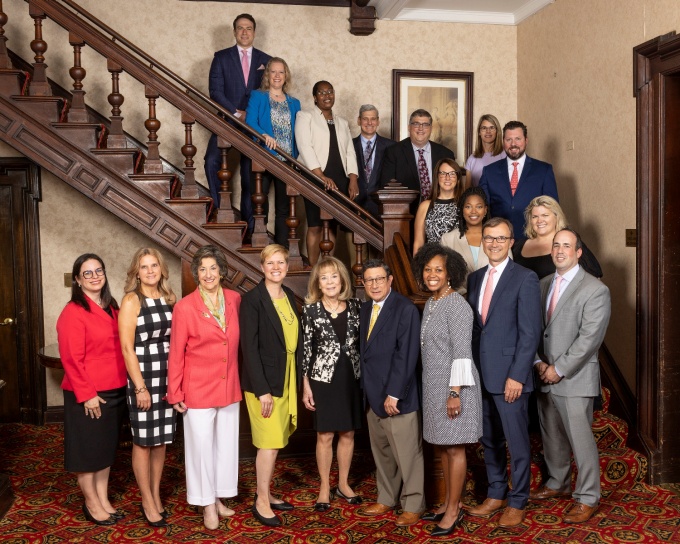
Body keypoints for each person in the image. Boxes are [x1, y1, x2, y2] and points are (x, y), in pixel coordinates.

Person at [531, 228, 611, 524]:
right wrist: (539, 362)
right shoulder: (542, 285)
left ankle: (588, 496)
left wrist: (559, 369)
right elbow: (534, 330)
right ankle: (558, 482)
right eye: (556, 245)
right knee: (551, 434)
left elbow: (590, 338)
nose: (560, 250)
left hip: (574, 378)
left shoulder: (595, 289)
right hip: (543, 373)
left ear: (578, 252)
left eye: (567, 245)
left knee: (580, 440)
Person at [466, 218, 542, 527]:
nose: (494, 243)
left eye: (501, 238)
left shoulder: (525, 278)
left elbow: (529, 333)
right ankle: (496, 493)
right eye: (489, 238)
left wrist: (518, 376)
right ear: (482, 241)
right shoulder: (475, 278)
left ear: (511, 241)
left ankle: (518, 499)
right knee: (490, 439)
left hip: (510, 375)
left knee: (516, 440)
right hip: (480, 373)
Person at [167, 245, 241, 531]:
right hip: (196, 388)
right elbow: (176, 353)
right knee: (200, 449)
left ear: (221, 271)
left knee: (225, 447)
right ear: (195, 274)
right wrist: (175, 392)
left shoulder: (234, 299)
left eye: (213, 268)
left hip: (228, 385)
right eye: (202, 269)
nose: (208, 274)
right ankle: (206, 503)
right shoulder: (185, 307)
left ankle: (219, 497)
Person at [412, 244, 482, 537]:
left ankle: (454, 510)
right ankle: (447, 503)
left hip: (456, 388)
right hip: (434, 387)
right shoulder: (432, 302)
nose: (432, 274)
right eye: (428, 269)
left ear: (450, 273)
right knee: (442, 446)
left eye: (438, 270)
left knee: (455, 448)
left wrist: (454, 393)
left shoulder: (456, 304)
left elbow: (462, 353)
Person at [56, 254, 127, 526]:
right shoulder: (73, 312)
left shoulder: (113, 307)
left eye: (99, 270)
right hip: (88, 394)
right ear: (77, 279)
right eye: (87, 273)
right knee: (88, 451)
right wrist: (87, 395)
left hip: (115, 388)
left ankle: (103, 497)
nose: (95, 276)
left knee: (104, 449)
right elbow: (71, 358)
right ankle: (91, 502)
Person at [359, 260, 425, 527]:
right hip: (372, 396)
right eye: (369, 280)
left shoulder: (405, 309)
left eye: (379, 279)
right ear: (363, 284)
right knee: (383, 452)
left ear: (390, 280)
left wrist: (394, 394)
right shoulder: (365, 309)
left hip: (397, 398)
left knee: (407, 453)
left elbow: (406, 355)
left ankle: (413, 504)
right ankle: (386, 497)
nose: (374, 284)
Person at [240, 244, 301, 527]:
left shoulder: (288, 295)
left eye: (281, 263)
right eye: (270, 263)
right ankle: (261, 501)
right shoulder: (253, 300)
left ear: (287, 267)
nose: (276, 267)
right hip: (263, 385)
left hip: (286, 377)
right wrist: (262, 389)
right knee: (268, 442)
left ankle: (266, 492)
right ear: (262, 266)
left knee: (276, 442)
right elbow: (249, 349)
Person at [119, 248, 177, 527]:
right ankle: (146, 499)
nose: (150, 271)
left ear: (161, 269)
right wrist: (140, 388)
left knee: (161, 440)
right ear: (137, 272)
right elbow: (127, 349)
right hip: (143, 377)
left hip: (167, 377)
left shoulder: (169, 298)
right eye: (144, 267)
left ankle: (155, 493)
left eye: (154, 265)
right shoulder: (132, 300)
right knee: (143, 441)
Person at [301, 257, 363, 511]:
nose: (329, 282)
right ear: (318, 282)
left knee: (347, 432)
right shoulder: (310, 310)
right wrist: (305, 385)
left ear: (342, 280)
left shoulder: (357, 306)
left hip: (351, 376)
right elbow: (305, 350)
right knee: (324, 434)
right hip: (322, 379)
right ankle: (325, 487)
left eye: (334, 276)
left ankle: (344, 484)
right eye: (324, 277)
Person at [205, 13, 271, 239]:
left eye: (249, 28)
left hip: (254, 126)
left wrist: (249, 115)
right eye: (240, 28)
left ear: (254, 32)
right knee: (211, 160)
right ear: (234, 32)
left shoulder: (266, 60)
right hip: (227, 120)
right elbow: (215, 90)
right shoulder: (221, 57)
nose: (245, 32)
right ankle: (216, 207)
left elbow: (268, 94)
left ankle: (250, 229)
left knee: (249, 176)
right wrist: (234, 113)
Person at [295, 81, 359, 265]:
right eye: (321, 93)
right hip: (315, 176)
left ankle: (327, 267)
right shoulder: (305, 116)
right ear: (315, 97)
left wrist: (353, 179)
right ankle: (314, 270)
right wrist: (320, 176)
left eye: (330, 91)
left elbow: (349, 151)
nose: (326, 95)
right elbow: (304, 146)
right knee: (315, 224)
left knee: (331, 224)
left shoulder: (342, 122)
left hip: (340, 178)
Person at [245, 57, 301, 247]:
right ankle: (259, 243)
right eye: (273, 71)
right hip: (264, 156)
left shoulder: (295, 103)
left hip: (287, 161)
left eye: (281, 72)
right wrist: (263, 134)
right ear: (268, 75)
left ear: (286, 76)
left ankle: (281, 248)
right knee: (260, 203)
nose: (277, 76)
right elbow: (250, 121)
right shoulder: (258, 96)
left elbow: (298, 132)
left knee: (283, 208)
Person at [479, 121, 558, 240]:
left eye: (517, 139)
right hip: (499, 240)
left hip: (534, 239)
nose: (513, 144)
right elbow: (482, 209)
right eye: (508, 140)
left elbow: (553, 209)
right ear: (503, 142)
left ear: (526, 140)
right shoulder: (489, 172)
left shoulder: (543, 170)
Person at [380, 109, 455, 218]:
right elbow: (386, 186)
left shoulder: (445, 154)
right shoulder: (394, 152)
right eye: (416, 124)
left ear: (431, 128)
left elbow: (454, 187)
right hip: (406, 215)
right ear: (409, 127)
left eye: (425, 124)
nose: (421, 128)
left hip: (440, 214)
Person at [513, 195, 602, 279]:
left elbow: (595, 279)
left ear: (556, 217)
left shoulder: (571, 242)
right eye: (535, 217)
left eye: (545, 215)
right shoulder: (517, 246)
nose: (539, 220)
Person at [412, 158, 463, 256]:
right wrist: (416, 269)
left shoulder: (465, 205)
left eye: (452, 174)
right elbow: (418, 242)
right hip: (432, 263)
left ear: (458, 178)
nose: (447, 178)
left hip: (459, 261)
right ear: (437, 177)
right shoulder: (425, 206)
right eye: (443, 173)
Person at [441, 186, 492, 280]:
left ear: (485, 210)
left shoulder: (497, 236)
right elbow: (444, 275)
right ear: (462, 210)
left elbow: (507, 271)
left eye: (479, 207)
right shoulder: (447, 239)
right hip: (458, 293)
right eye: (468, 206)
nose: (473, 211)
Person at [353, 104, 393, 219]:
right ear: (359, 121)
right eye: (365, 119)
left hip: (381, 205)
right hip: (355, 204)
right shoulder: (348, 145)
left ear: (378, 121)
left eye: (373, 119)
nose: (369, 123)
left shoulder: (391, 147)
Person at [465, 114, 506, 187]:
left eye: (492, 128)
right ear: (479, 132)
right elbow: (467, 191)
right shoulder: (472, 159)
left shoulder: (505, 156)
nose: (488, 131)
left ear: (497, 132)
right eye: (484, 128)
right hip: (478, 197)